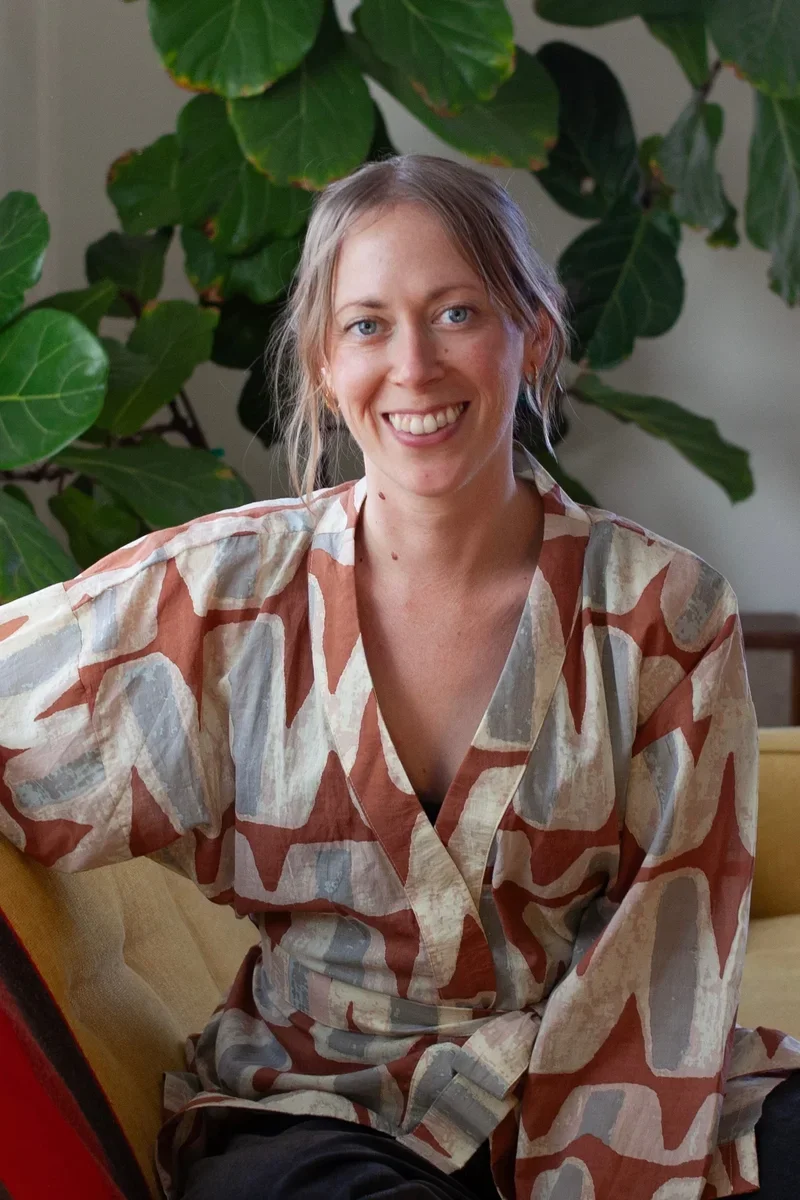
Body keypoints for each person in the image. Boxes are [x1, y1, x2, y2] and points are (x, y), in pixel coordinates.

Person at [0, 153, 798, 1200]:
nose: (413, 365)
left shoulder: (663, 612)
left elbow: (665, 954)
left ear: (533, 336)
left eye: (457, 312)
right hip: (315, 1106)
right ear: (326, 367)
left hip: (594, 1082)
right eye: (367, 325)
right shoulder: (221, 598)